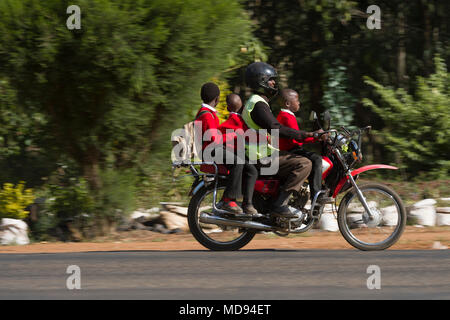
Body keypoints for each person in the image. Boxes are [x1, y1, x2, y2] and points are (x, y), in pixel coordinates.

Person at [242, 62, 325, 218]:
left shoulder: (255, 102)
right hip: (261, 157)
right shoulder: (258, 104)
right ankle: (280, 205)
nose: (274, 83)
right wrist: (306, 134)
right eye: (271, 80)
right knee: (304, 163)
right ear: (261, 81)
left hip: (257, 154)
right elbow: (277, 128)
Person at [195, 82, 244, 215]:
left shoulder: (205, 113)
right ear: (216, 99)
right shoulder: (207, 115)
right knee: (238, 162)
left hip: (209, 149)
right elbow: (214, 139)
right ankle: (228, 200)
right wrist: (233, 135)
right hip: (210, 151)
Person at [276, 89, 333, 204]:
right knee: (316, 159)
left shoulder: (284, 115)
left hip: (290, 149)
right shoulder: (287, 116)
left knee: (313, 158)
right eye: (296, 99)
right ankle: (316, 194)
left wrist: (315, 137)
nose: (299, 102)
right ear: (287, 103)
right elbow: (299, 137)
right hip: (291, 150)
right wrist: (317, 137)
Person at [219, 93, 259, 216]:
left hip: (230, 151)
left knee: (252, 170)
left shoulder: (230, 121)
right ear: (242, 108)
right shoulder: (239, 121)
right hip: (233, 153)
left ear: (227, 108)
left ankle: (247, 203)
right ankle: (232, 200)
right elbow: (250, 135)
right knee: (252, 171)